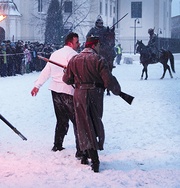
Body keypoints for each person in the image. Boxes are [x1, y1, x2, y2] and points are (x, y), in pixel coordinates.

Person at [62, 36, 121, 173]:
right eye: (99, 45)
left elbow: (66, 79)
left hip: (79, 95)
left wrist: (69, 72)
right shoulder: (99, 59)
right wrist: (116, 88)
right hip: (95, 94)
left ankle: (84, 154)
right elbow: (108, 81)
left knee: (83, 124)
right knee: (94, 123)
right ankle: (94, 159)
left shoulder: (74, 59)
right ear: (94, 45)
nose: (100, 47)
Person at [31, 32, 82, 158]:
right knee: (77, 120)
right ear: (70, 43)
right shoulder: (73, 55)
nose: (79, 44)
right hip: (68, 91)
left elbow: (46, 71)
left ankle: (57, 144)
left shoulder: (55, 54)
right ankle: (80, 149)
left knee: (61, 119)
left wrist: (37, 85)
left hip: (55, 91)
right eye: (77, 42)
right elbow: (79, 73)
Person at [86, 15, 116, 95]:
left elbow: (109, 33)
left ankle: (111, 62)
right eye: (99, 23)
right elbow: (88, 36)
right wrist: (93, 39)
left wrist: (110, 30)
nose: (100, 24)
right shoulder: (93, 30)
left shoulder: (105, 29)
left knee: (112, 51)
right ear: (96, 23)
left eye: (101, 23)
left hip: (105, 45)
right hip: (97, 45)